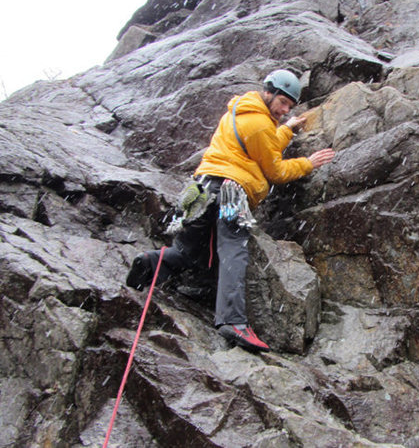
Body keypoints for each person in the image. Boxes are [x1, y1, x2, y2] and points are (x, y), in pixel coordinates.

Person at [125, 69, 335, 352]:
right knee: (233, 251)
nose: (285, 110)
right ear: (269, 92)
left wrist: (285, 130)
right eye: (283, 102)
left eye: (289, 107)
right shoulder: (260, 124)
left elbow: (258, 144)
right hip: (231, 193)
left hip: (202, 188)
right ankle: (232, 321)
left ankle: (153, 262)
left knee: (190, 250)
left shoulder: (238, 110)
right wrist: (308, 163)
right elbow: (276, 170)